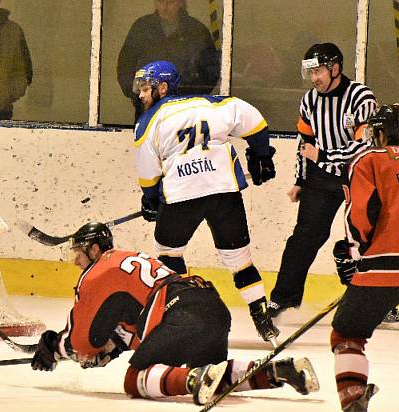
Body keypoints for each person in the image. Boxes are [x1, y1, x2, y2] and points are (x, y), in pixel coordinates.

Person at [29, 222, 319, 406]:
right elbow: (132, 324)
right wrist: (112, 346)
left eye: (78, 253)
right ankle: (277, 371)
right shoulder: (128, 261)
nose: (75, 261)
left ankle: (194, 379)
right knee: (217, 381)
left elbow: (81, 341)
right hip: (209, 305)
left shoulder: (96, 273)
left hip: (178, 310)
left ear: (94, 249)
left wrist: (54, 348)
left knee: (135, 379)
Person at [131, 60, 279, 342]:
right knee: (239, 260)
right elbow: (254, 121)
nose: (141, 94)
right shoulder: (212, 103)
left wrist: (151, 200)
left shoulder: (148, 123)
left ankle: (183, 315)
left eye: (146, 88)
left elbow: (149, 176)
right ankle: (263, 320)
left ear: (163, 88)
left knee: (169, 255)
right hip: (224, 190)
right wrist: (262, 155)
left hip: (182, 195)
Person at [268, 43, 378, 319]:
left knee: (369, 238)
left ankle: (383, 299)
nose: (314, 78)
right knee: (304, 236)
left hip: (360, 175)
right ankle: (283, 298)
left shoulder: (361, 97)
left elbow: (363, 146)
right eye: (311, 72)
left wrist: (325, 154)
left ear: (335, 68)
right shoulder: (309, 100)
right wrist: (300, 180)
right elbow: (305, 144)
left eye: (318, 71)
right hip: (322, 177)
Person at [328, 105, 399, 411]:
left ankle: (354, 397)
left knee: (347, 334)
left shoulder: (369, 160)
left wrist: (356, 253)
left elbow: (361, 213)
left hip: (381, 266)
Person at [117, 0, 219, 120]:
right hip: (148, 109)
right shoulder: (141, 28)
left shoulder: (197, 31)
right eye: (160, 1)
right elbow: (125, 65)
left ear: (180, 3)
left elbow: (210, 70)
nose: (165, 7)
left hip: (185, 112)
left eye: (170, 2)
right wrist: (136, 94)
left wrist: (191, 98)